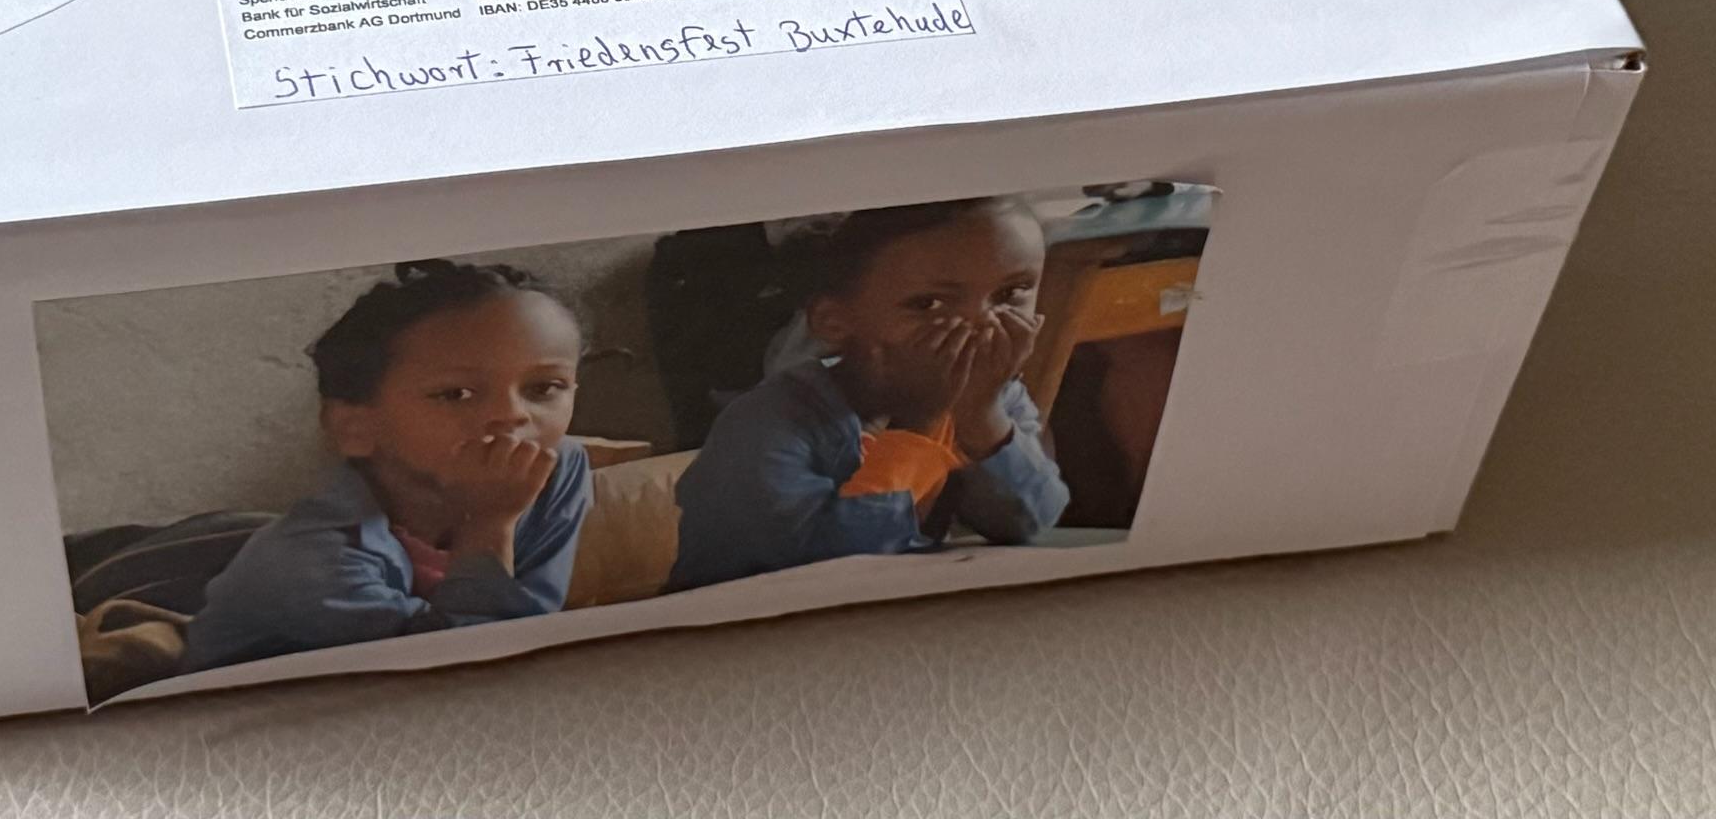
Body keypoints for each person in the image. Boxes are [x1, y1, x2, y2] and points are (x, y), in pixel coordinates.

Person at [177, 261, 592, 672]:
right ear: (355, 428)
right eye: (456, 394)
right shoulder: (307, 567)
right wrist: (487, 525)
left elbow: (535, 623)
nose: (512, 414)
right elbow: (471, 671)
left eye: (544, 387)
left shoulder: (556, 469)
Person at [668, 197, 1069, 592]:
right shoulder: (768, 422)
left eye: (1010, 293)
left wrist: (981, 417)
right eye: (928, 304)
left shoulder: (990, 396)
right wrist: (919, 424)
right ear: (835, 321)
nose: (981, 323)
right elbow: (822, 573)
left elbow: (1030, 522)